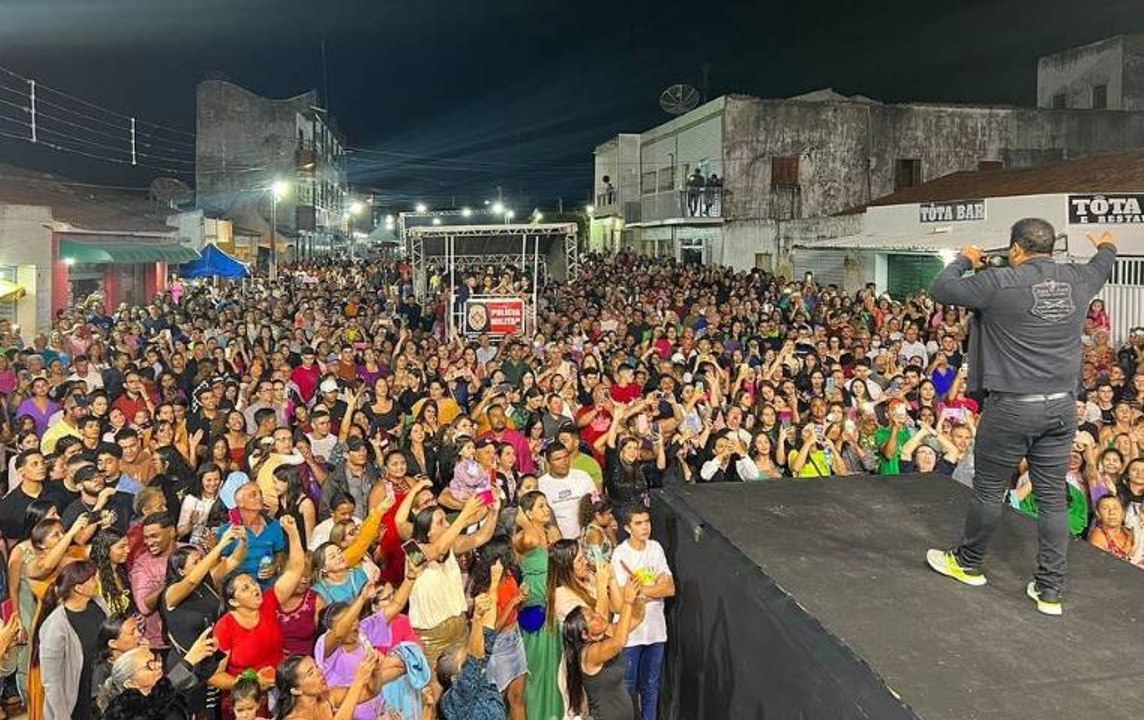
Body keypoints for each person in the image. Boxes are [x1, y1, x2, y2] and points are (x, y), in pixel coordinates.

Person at [925, 222, 1118, 616]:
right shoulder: (1080, 278)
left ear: (1016, 249)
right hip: (1062, 407)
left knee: (989, 489)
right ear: (1050, 248)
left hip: (1013, 405)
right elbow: (1106, 260)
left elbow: (941, 288)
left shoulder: (999, 281)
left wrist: (966, 257)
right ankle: (1050, 591)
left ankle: (968, 564)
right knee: (1052, 497)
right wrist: (1107, 244)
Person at [611, 506, 674, 720]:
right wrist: (653, 590)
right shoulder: (620, 554)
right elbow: (621, 599)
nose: (645, 526)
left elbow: (670, 588)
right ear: (627, 528)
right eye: (638, 523)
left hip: (656, 632)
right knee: (627, 689)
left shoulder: (655, 549)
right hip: (631, 634)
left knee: (651, 687)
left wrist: (642, 591)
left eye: (647, 521)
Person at [561, 579, 642, 720]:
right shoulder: (590, 654)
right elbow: (619, 642)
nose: (598, 615)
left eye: (594, 613)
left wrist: (638, 596)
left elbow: (637, 616)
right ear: (585, 634)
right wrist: (627, 602)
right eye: (592, 618)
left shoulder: (606, 634)